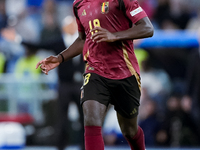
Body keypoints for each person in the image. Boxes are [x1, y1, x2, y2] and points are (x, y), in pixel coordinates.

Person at [36, 0, 154, 149]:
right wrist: (60, 58)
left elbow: (147, 28)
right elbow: (82, 39)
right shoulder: (78, 4)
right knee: (91, 117)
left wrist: (114, 36)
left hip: (125, 72)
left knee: (129, 130)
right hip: (95, 70)